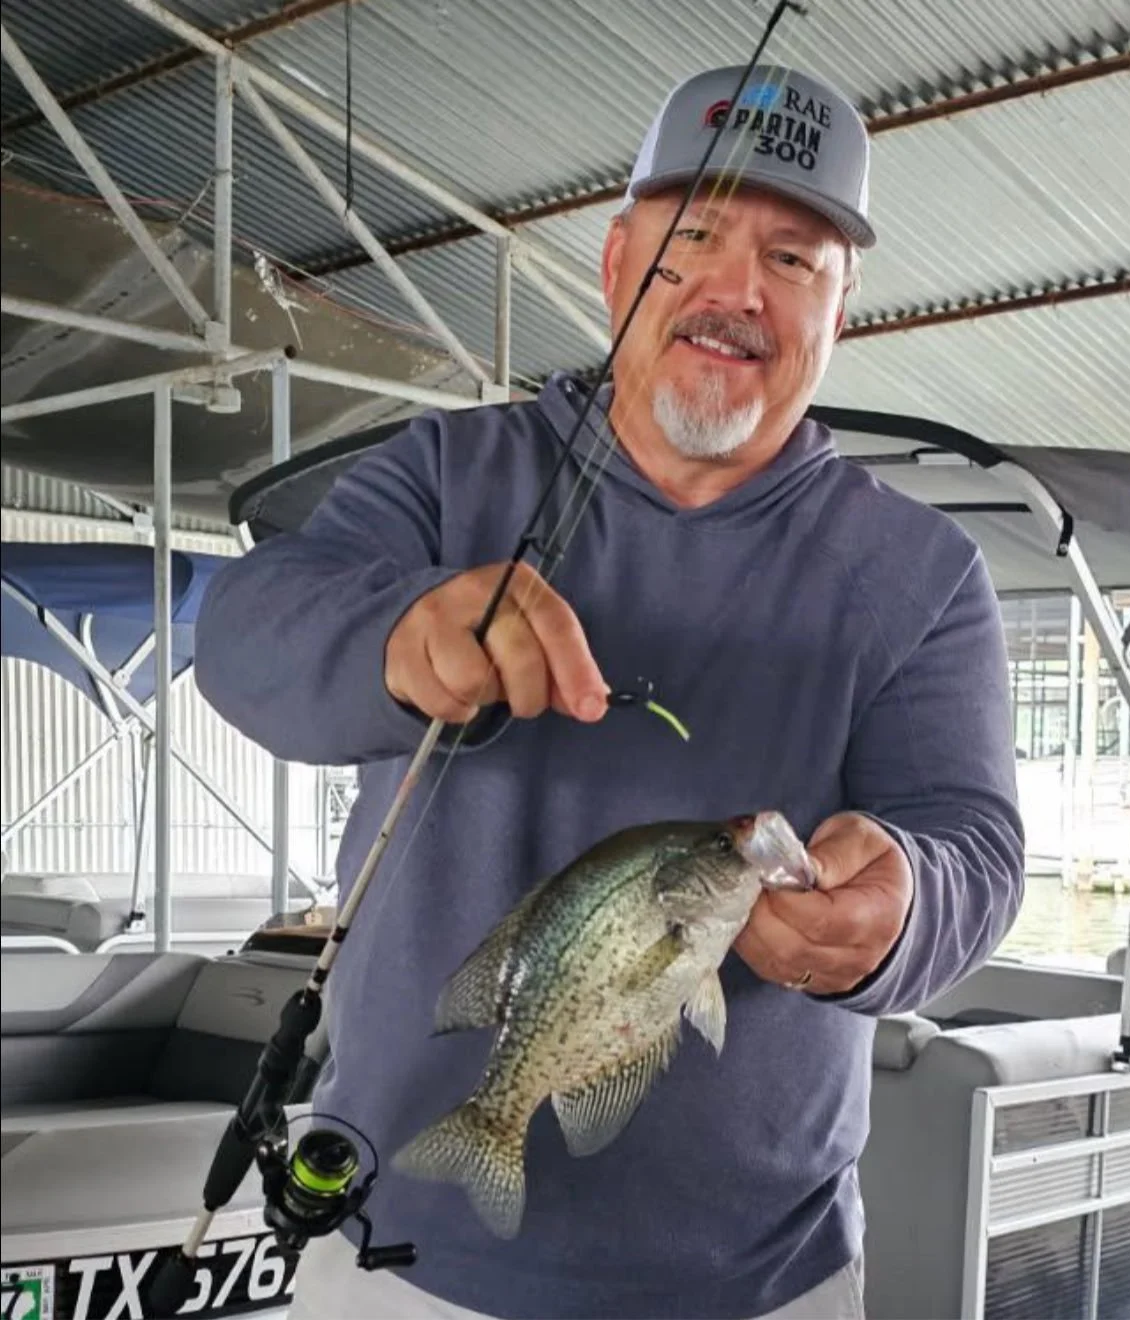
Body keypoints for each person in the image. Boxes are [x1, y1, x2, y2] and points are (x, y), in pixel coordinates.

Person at [195, 62, 1024, 1320]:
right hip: (391, 1254)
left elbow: (975, 847)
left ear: (842, 308)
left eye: (795, 260)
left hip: (764, 1279)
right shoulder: (445, 474)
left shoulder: (918, 572)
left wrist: (904, 907)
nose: (735, 291)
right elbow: (245, 634)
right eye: (692, 237)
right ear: (618, 259)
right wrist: (393, 637)